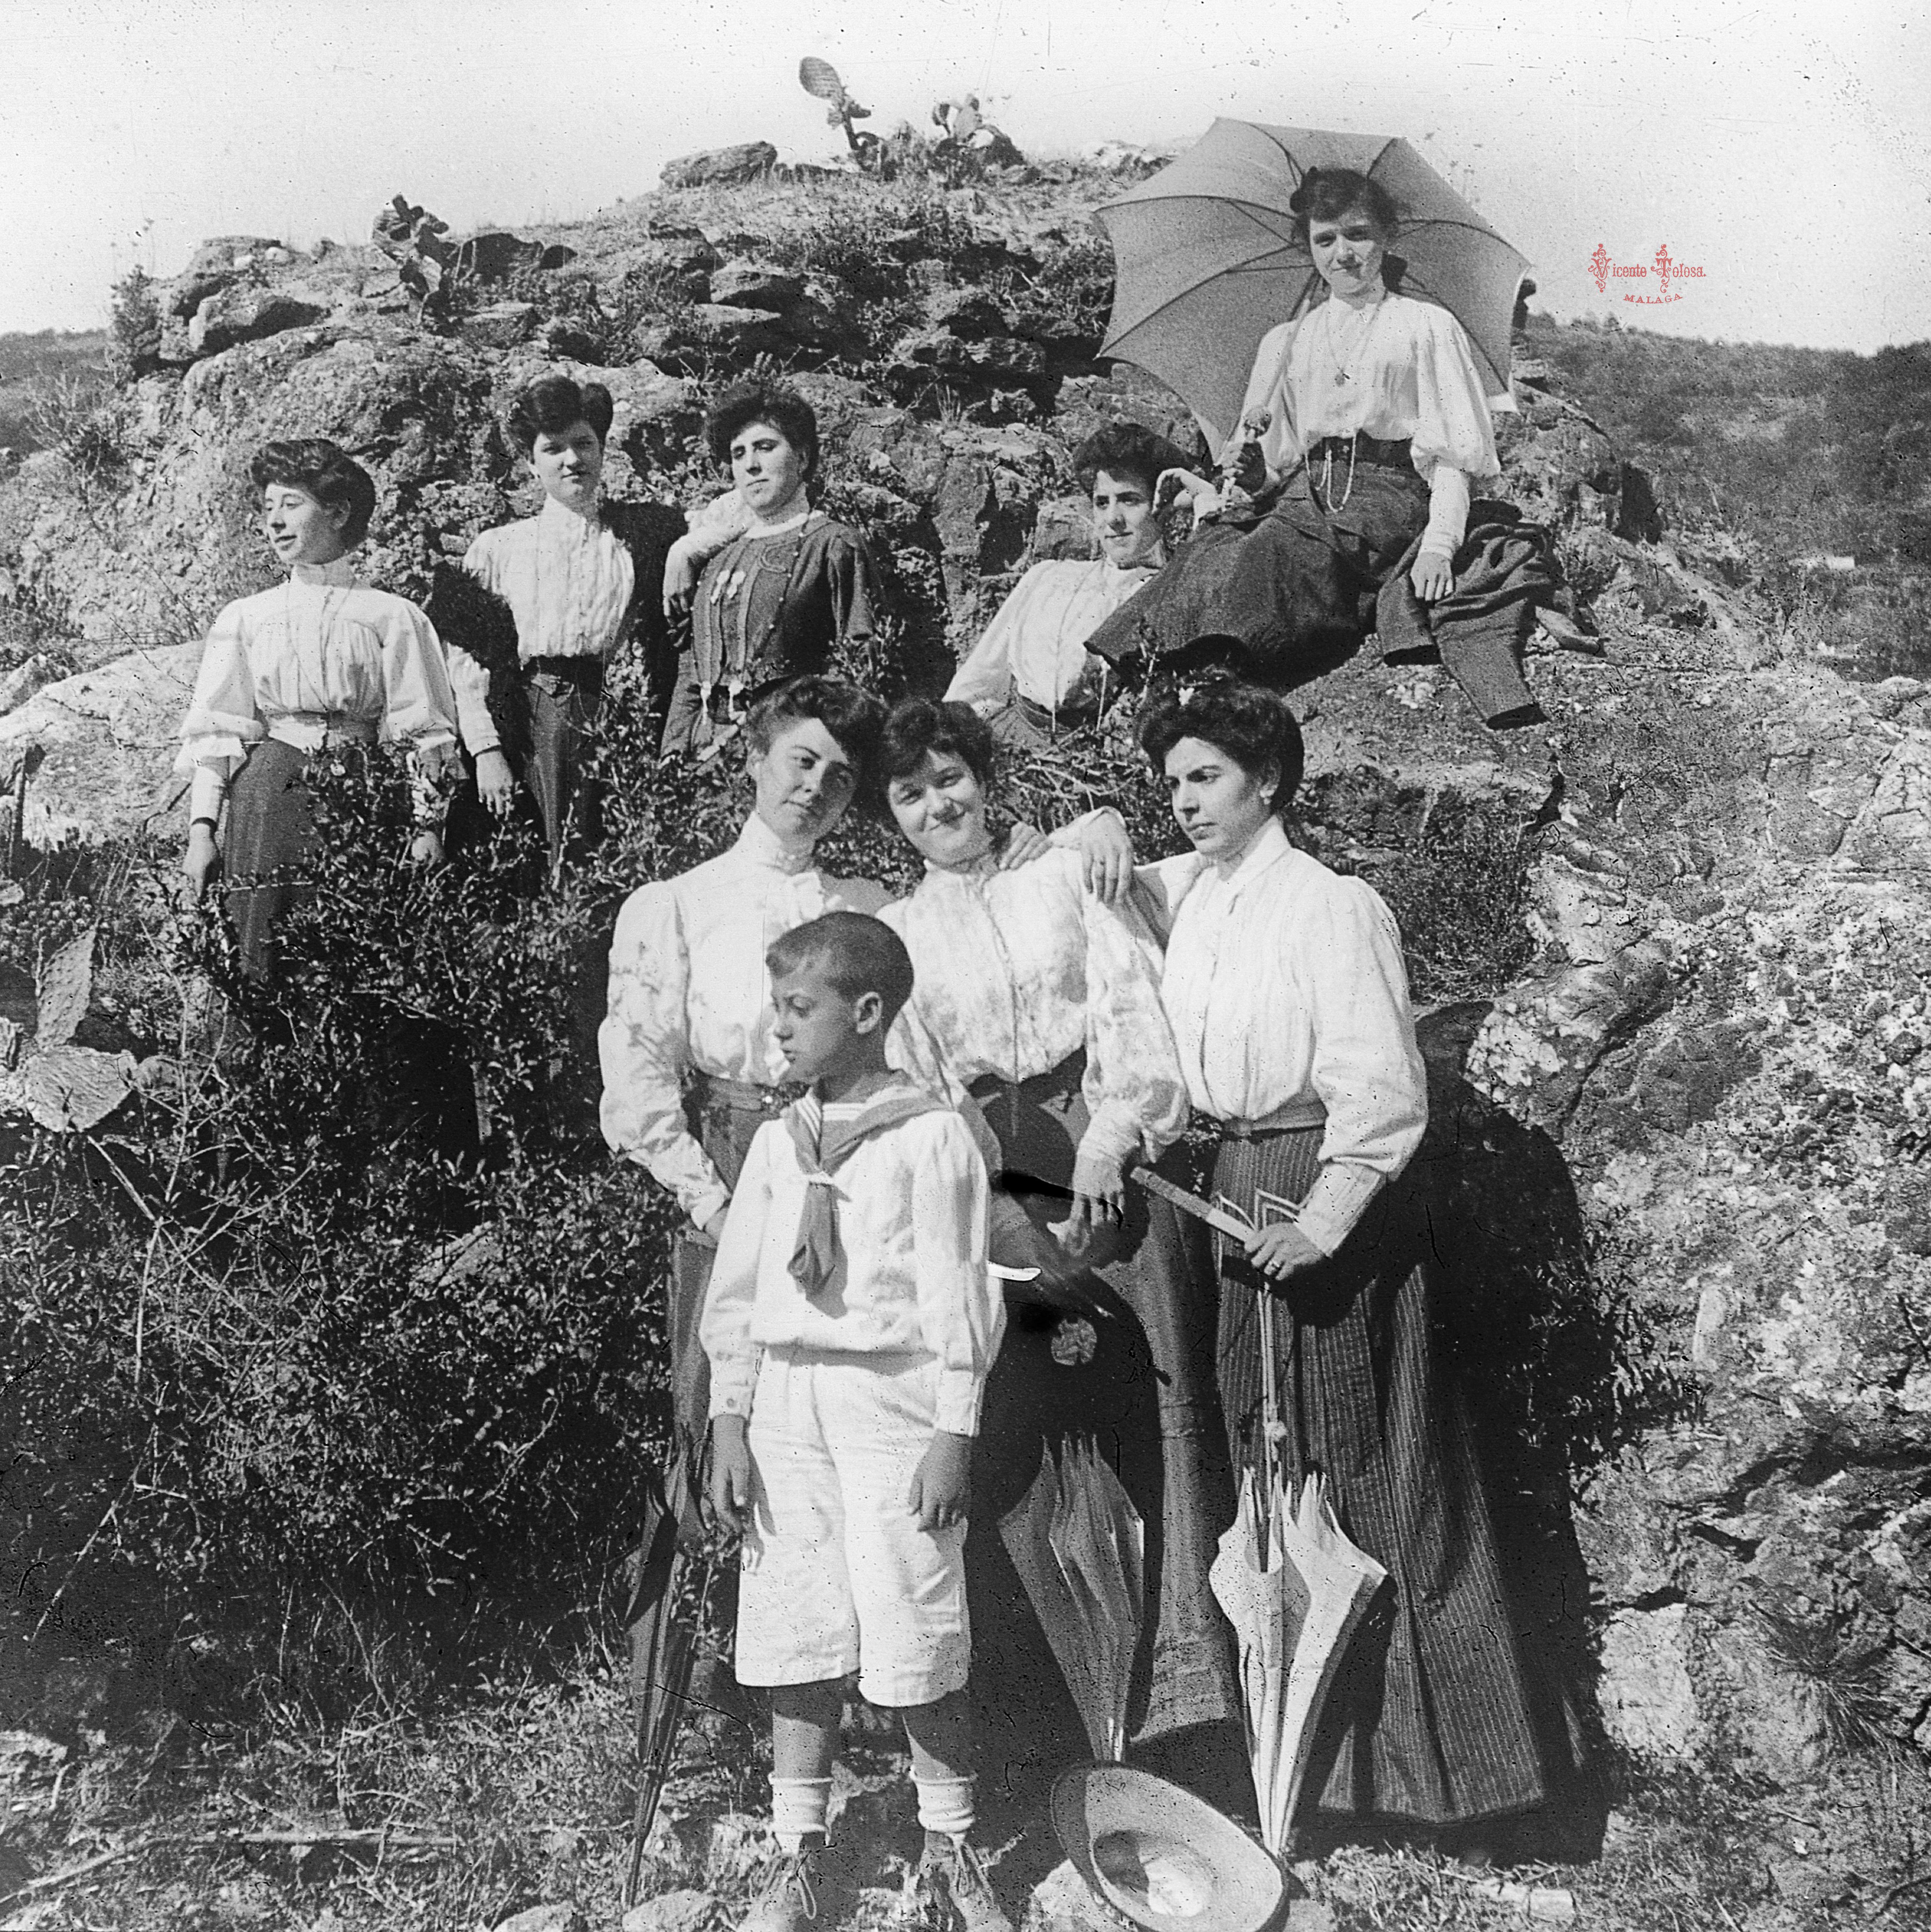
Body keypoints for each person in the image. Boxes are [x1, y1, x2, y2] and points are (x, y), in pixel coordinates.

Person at [1128, 680, 1552, 1846]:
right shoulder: (1189, 898)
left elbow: (1380, 1080)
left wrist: (1322, 1218)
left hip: (1322, 1193)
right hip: (1228, 1190)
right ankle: (1305, 1778)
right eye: (1171, 781)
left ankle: (1452, 1786)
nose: (1183, 801)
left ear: (1267, 780)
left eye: (1205, 775)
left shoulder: (1332, 905)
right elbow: (1074, 882)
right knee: (1267, 1472)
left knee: (1369, 1465)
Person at [873, 697, 1236, 1778]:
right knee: (1024, 1433)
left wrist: (1110, 1138)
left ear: (983, 779)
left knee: (1164, 1414)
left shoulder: (1065, 875)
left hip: (1112, 1155)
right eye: (909, 793)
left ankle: (1198, 1714)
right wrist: (992, 1207)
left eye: (950, 779)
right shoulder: (898, 933)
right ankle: (1060, 1725)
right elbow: (924, 1095)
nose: (938, 805)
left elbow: (1136, 1013)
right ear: (888, 816)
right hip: (997, 1178)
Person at [702, 911, 1011, 1932]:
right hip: (788, 1399)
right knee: (792, 1617)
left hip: (892, 1403)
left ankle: (949, 1850)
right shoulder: (779, 1140)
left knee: (912, 1615)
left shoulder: (930, 1136)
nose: (778, 1029)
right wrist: (729, 1418)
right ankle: (797, 1855)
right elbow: (741, 1285)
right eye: (777, 1005)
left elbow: (964, 1294)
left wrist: (952, 1432)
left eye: (800, 1008)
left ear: (866, 1011)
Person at [1082, 168, 1504, 690]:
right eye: (1324, 240)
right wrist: (1251, 466)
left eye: (1358, 233)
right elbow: (1274, 466)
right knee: (1217, 544)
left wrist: (1440, 545)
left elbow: (1452, 457)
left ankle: (1224, 672)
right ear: (1308, 248)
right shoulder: (1288, 340)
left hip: (1388, 499)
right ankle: (1164, 676)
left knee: (1273, 547)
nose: (1342, 253)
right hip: (1303, 494)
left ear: (1387, 236)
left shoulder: (1426, 327)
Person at [177, 438, 461, 980]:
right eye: (267, 509)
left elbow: (423, 730)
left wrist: (429, 826)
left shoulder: (392, 616)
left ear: (336, 512)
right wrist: (201, 832)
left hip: (365, 791)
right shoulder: (247, 617)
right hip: (269, 793)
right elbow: (218, 734)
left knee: (357, 947)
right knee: (263, 947)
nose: (275, 523)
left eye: (291, 505)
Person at [440, 374, 682, 865]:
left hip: (603, 711)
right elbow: (462, 661)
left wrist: (688, 551)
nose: (572, 460)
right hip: (524, 718)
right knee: (526, 856)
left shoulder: (638, 537)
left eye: (584, 444)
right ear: (532, 462)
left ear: (602, 449)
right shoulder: (500, 547)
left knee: (596, 854)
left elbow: (728, 517)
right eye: (553, 449)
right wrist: (486, 751)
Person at [658, 380, 881, 757]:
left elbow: (861, 665)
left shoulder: (832, 544)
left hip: (789, 754)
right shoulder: (718, 557)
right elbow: (692, 675)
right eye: (738, 453)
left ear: (804, 458)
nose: (751, 465)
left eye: (766, 447)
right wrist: (672, 755)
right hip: (702, 761)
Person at [944, 422, 1186, 748]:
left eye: (1130, 501)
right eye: (1102, 502)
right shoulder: (1049, 577)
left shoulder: (1171, 591)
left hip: (1100, 758)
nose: (1112, 519)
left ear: (1163, 507)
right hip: (1012, 739)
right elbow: (981, 681)